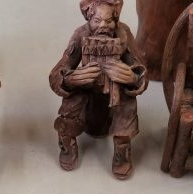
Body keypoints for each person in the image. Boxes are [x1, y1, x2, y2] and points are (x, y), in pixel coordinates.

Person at [49, 0, 148, 179]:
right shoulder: (80, 34)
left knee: (127, 101)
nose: (103, 26)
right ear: (89, 19)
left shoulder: (123, 33)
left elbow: (141, 71)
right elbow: (56, 73)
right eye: (97, 21)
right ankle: (67, 142)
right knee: (72, 99)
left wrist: (132, 78)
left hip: (114, 89)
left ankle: (122, 149)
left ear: (116, 20)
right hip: (87, 88)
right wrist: (70, 79)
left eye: (109, 21)